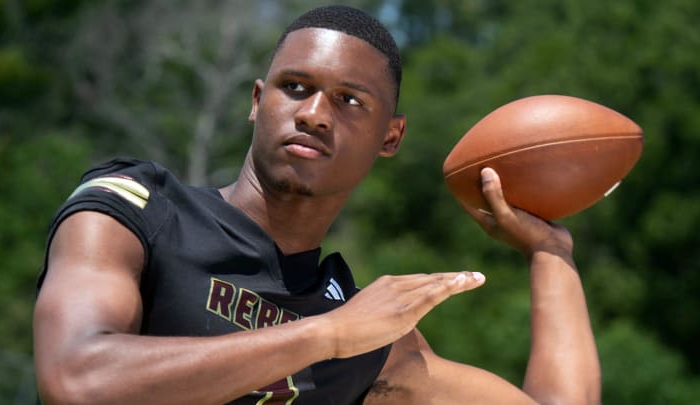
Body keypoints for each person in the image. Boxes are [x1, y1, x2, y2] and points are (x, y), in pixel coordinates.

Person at [33, 5, 601, 404]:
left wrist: (551, 253)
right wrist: (325, 336)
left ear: (390, 137)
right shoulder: (134, 209)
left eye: (349, 100)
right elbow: (77, 380)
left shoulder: (374, 344)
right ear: (258, 101)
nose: (313, 113)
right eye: (296, 88)